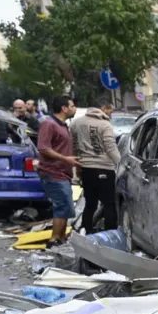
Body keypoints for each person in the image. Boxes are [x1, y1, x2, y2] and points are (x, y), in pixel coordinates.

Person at [36, 96, 81, 246]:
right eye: (72, 106)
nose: (74, 109)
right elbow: (43, 148)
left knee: (66, 207)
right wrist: (65, 159)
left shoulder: (63, 125)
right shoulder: (49, 124)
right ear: (64, 108)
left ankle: (61, 239)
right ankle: (54, 239)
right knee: (62, 205)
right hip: (53, 172)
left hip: (63, 173)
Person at [72, 102, 121, 233]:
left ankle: (86, 231)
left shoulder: (76, 123)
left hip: (86, 169)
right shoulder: (105, 124)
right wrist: (120, 163)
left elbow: (74, 146)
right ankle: (110, 233)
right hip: (105, 168)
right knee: (109, 203)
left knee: (90, 203)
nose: (111, 114)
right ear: (103, 108)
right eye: (111, 111)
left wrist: (77, 167)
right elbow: (110, 147)